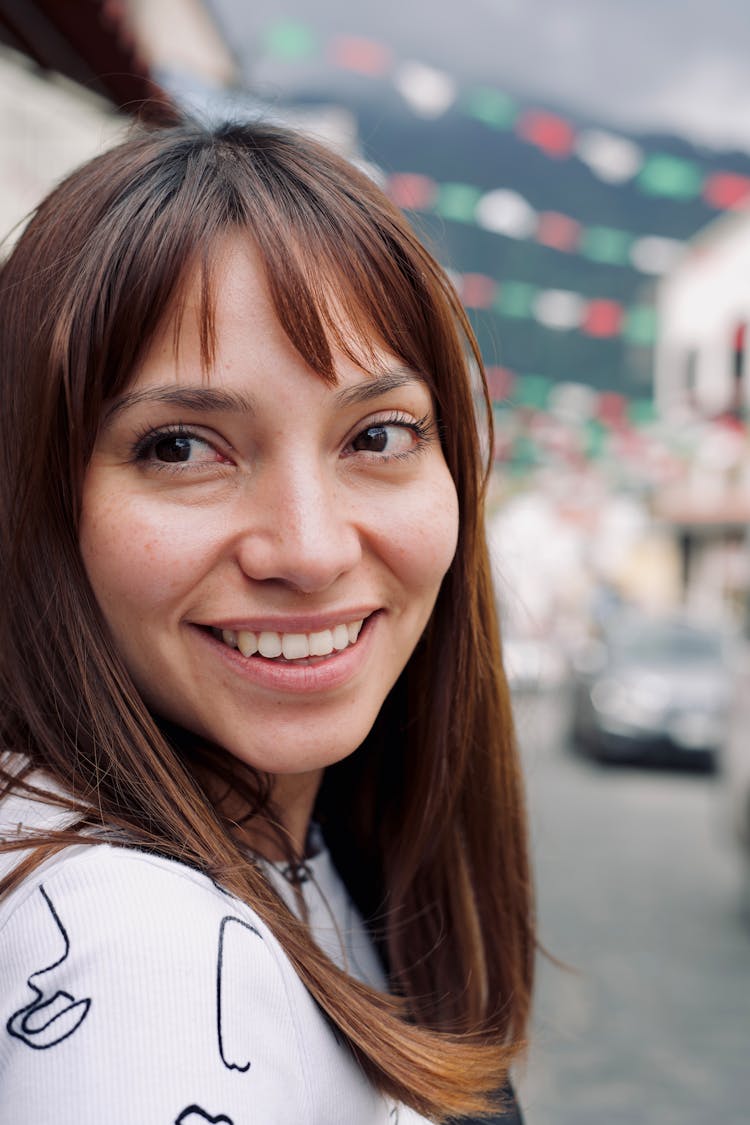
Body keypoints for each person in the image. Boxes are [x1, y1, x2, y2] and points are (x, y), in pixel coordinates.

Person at [0, 119, 534, 1124]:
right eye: (179, 448)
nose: (310, 548)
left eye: (377, 435)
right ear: (31, 499)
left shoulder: (319, 839)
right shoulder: (132, 948)